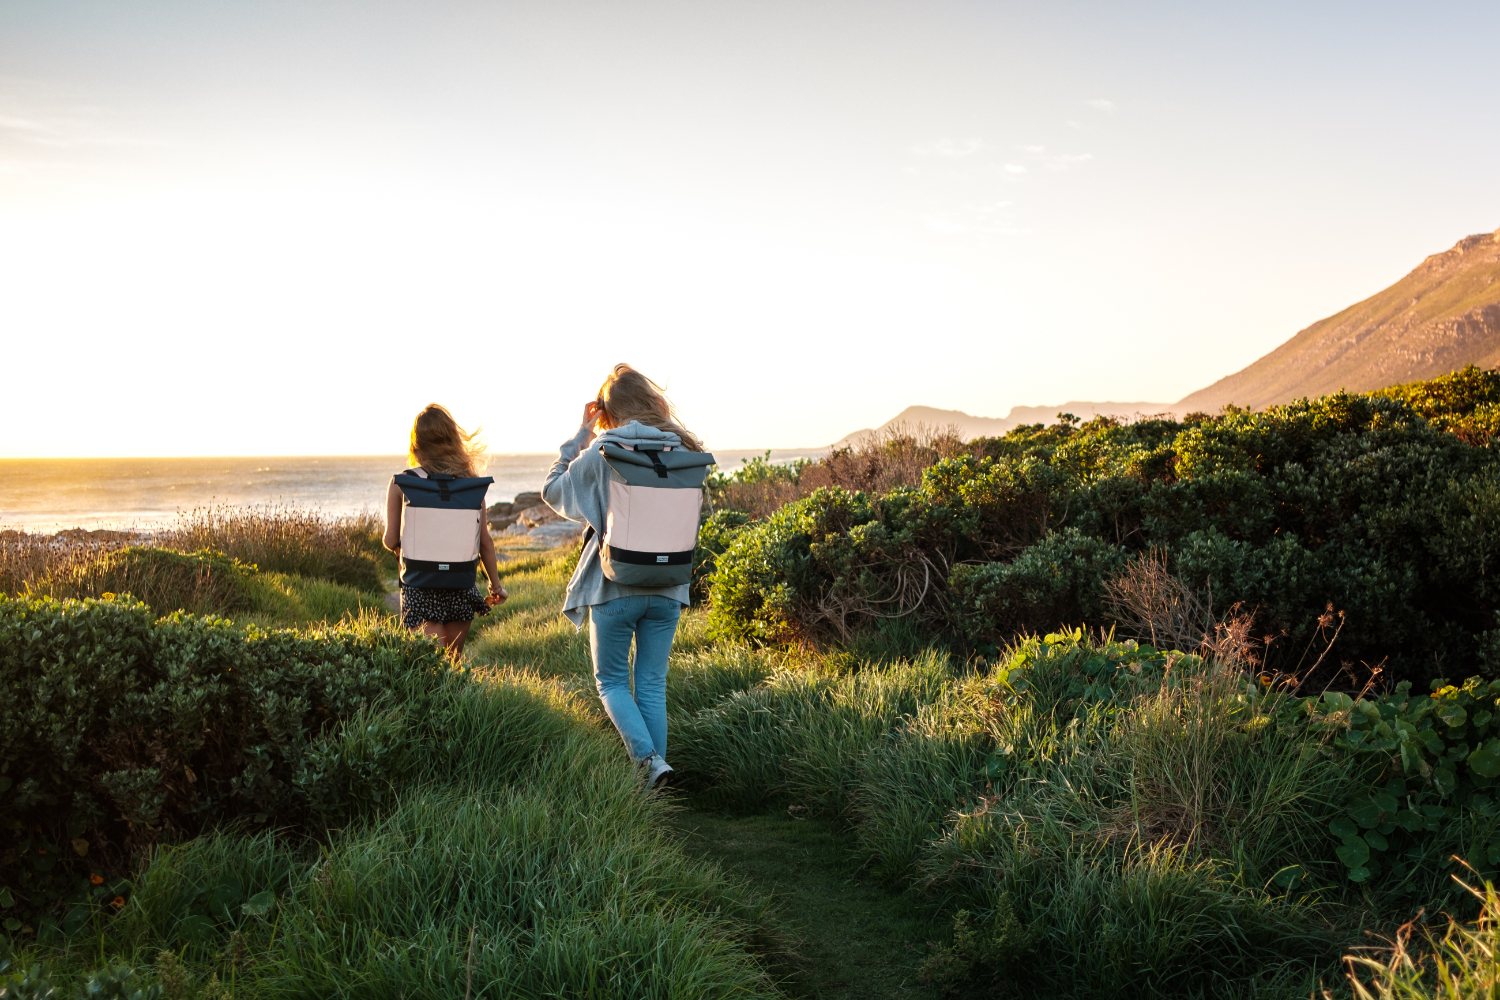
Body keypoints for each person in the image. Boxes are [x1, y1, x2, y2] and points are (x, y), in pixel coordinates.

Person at [543, 364, 707, 789]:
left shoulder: (603, 452)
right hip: (669, 586)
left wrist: (581, 435)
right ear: (652, 401)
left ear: (607, 413)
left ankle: (650, 763)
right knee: (651, 685)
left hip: (613, 585)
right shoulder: (684, 451)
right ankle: (657, 787)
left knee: (612, 682)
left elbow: (553, 490)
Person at [383, 404, 507, 657]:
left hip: (419, 585)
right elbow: (484, 542)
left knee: (428, 667)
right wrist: (495, 587)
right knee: (452, 664)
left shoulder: (402, 483)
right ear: (453, 441)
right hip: (460, 585)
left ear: (416, 445)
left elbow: (390, 539)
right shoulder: (470, 487)